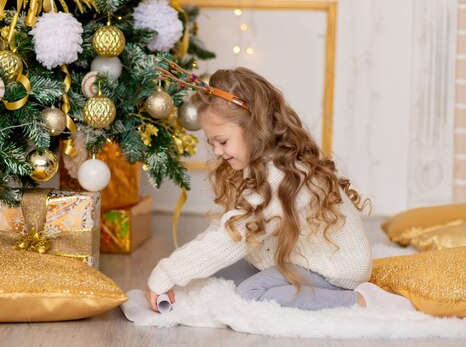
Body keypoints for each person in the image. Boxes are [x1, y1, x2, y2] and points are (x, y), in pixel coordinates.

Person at [146, 66, 415, 313]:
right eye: (212, 142)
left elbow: (233, 237)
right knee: (219, 272)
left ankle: (360, 301)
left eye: (223, 141)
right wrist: (182, 269)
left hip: (332, 269)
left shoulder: (284, 175)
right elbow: (227, 228)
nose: (217, 151)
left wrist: (167, 272)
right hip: (298, 259)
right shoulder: (261, 163)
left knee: (251, 294)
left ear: (253, 129)